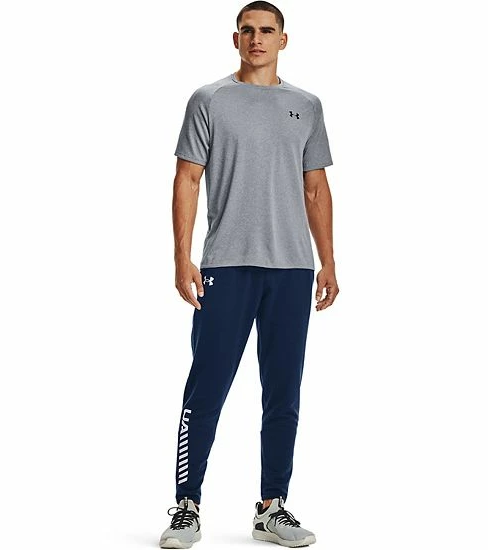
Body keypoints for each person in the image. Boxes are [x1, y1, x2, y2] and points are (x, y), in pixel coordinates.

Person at [160, 2, 339, 547]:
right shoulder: (209, 99)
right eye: (247, 30)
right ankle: (186, 507)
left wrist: (329, 260)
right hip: (226, 265)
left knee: (283, 392)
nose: (256, 38)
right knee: (206, 387)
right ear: (235, 39)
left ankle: (271, 507)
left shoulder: (306, 105)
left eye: (266, 30)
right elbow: (187, 179)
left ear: (283, 39)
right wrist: (181, 257)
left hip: (291, 269)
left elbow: (315, 188)